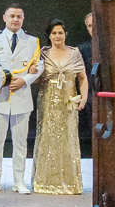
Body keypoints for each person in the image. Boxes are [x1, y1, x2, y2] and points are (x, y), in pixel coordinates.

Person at [0, 4, 43, 194]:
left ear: (23, 19)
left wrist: (25, 81)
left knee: (20, 143)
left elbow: (38, 66)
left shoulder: (32, 41)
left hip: (21, 97)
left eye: (19, 16)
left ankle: (19, 181)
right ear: (4, 17)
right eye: (12, 16)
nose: (15, 19)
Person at [32, 20, 88, 195]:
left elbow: (82, 78)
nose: (57, 36)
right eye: (54, 33)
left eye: (60, 33)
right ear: (49, 35)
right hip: (48, 103)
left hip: (68, 103)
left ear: (66, 34)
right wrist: (32, 73)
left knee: (68, 139)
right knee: (47, 141)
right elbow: (36, 78)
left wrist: (84, 97)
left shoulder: (75, 53)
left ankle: (70, 184)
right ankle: (45, 183)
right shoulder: (43, 53)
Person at [76, 12, 94, 157]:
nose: (92, 28)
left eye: (94, 25)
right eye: (89, 26)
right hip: (90, 97)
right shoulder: (82, 49)